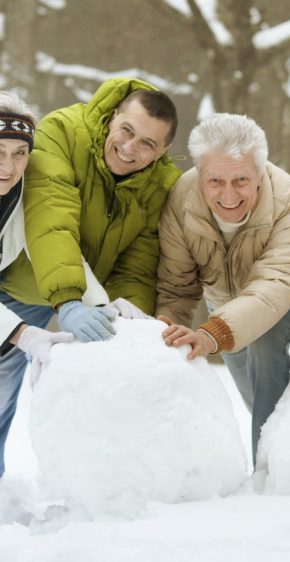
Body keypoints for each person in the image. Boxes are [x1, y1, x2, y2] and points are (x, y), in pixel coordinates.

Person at [0, 78, 181, 474]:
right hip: (24, 285)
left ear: (164, 150)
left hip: (85, 295)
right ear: (114, 116)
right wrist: (65, 301)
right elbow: (51, 220)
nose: (130, 148)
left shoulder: (161, 184)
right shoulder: (62, 133)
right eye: (127, 131)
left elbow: (139, 256)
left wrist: (125, 309)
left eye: (148, 143)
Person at [156, 113, 290, 462]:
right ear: (200, 174)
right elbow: (176, 284)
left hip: (281, 302)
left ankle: (270, 469)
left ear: (261, 174)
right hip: (221, 306)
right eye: (215, 180)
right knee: (257, 397)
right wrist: (165, 328)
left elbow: (273, 285)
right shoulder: (182, 199)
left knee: (263, 349)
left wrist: (212, 333)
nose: (228, 194)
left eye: (241, 180)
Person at [0, 91, 75, 478]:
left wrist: (93, 302)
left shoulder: (22, 194)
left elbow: (52, 242)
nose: (8, 167)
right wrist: (21, 333)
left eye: (19, 153)